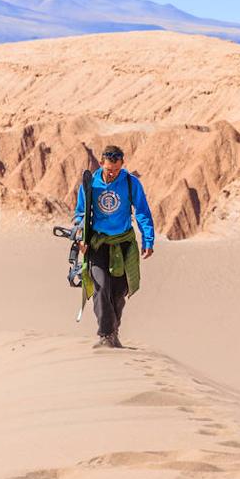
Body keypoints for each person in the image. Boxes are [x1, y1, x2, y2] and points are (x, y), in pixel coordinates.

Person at [74, 145, 155, 348]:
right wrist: (80, 236)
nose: (112, 173)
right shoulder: (90, 183)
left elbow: (142, 212)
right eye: (109, 169)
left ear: (122, 165)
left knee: (118, 294)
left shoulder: (130, 182)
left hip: (123, 243)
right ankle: (106, 334)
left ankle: (113, 332)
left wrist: (148, 240)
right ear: (101, 163)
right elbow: (81, 214)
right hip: (98, 243)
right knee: (101, 287)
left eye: (117, 170)